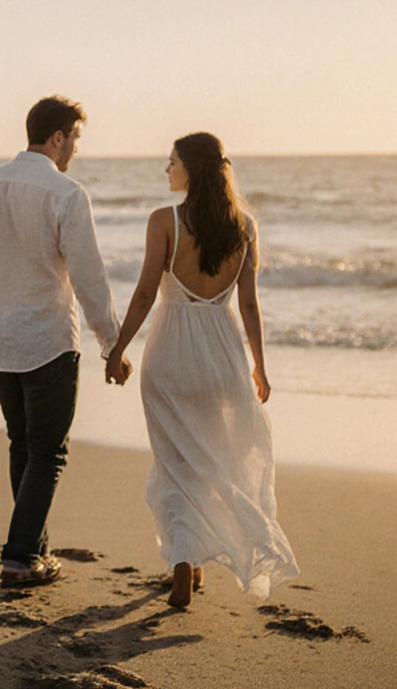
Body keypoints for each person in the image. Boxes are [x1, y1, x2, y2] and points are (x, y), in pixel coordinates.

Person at [105, 132, 298, 608]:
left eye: (171, 163)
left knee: (176, 464)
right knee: (211, 460)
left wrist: (117, 348)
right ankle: (193, 562)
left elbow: (146, 295)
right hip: (221, 357)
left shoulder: (163, 221)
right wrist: (260, 367)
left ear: (190, 168)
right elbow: (250, 304)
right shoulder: (244, 226)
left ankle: (183, 567)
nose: (166, 170)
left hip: (169, 356)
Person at [0, 96, 123, 589]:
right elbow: (90, 279)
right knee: (48, 451)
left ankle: (35, 549)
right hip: (47, 340)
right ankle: (22, 555)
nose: (75, 152)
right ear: (57, 138)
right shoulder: (66, 193)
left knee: (23, 444)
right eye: (74, 141)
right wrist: (111, 344)